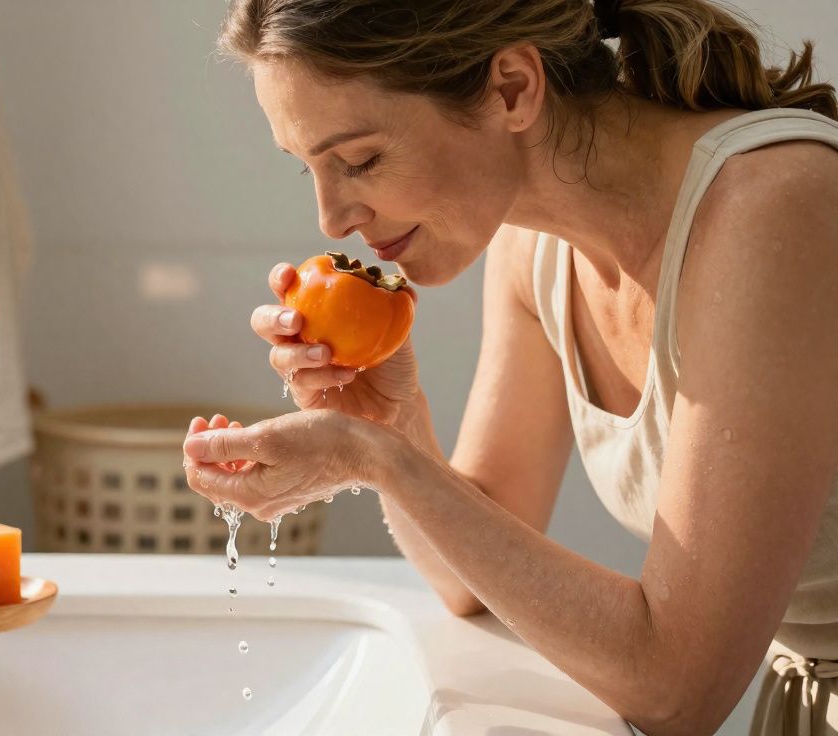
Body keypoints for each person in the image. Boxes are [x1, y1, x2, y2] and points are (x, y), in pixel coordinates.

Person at [180, 0, 838, 733]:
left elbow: (677, 688)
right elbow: (475, 584)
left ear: (513, 89)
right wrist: (392, 428)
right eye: (309, 167)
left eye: (360, 160)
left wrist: (381, 462)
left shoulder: (772, 208)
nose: (332, 220)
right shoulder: (533, 248)